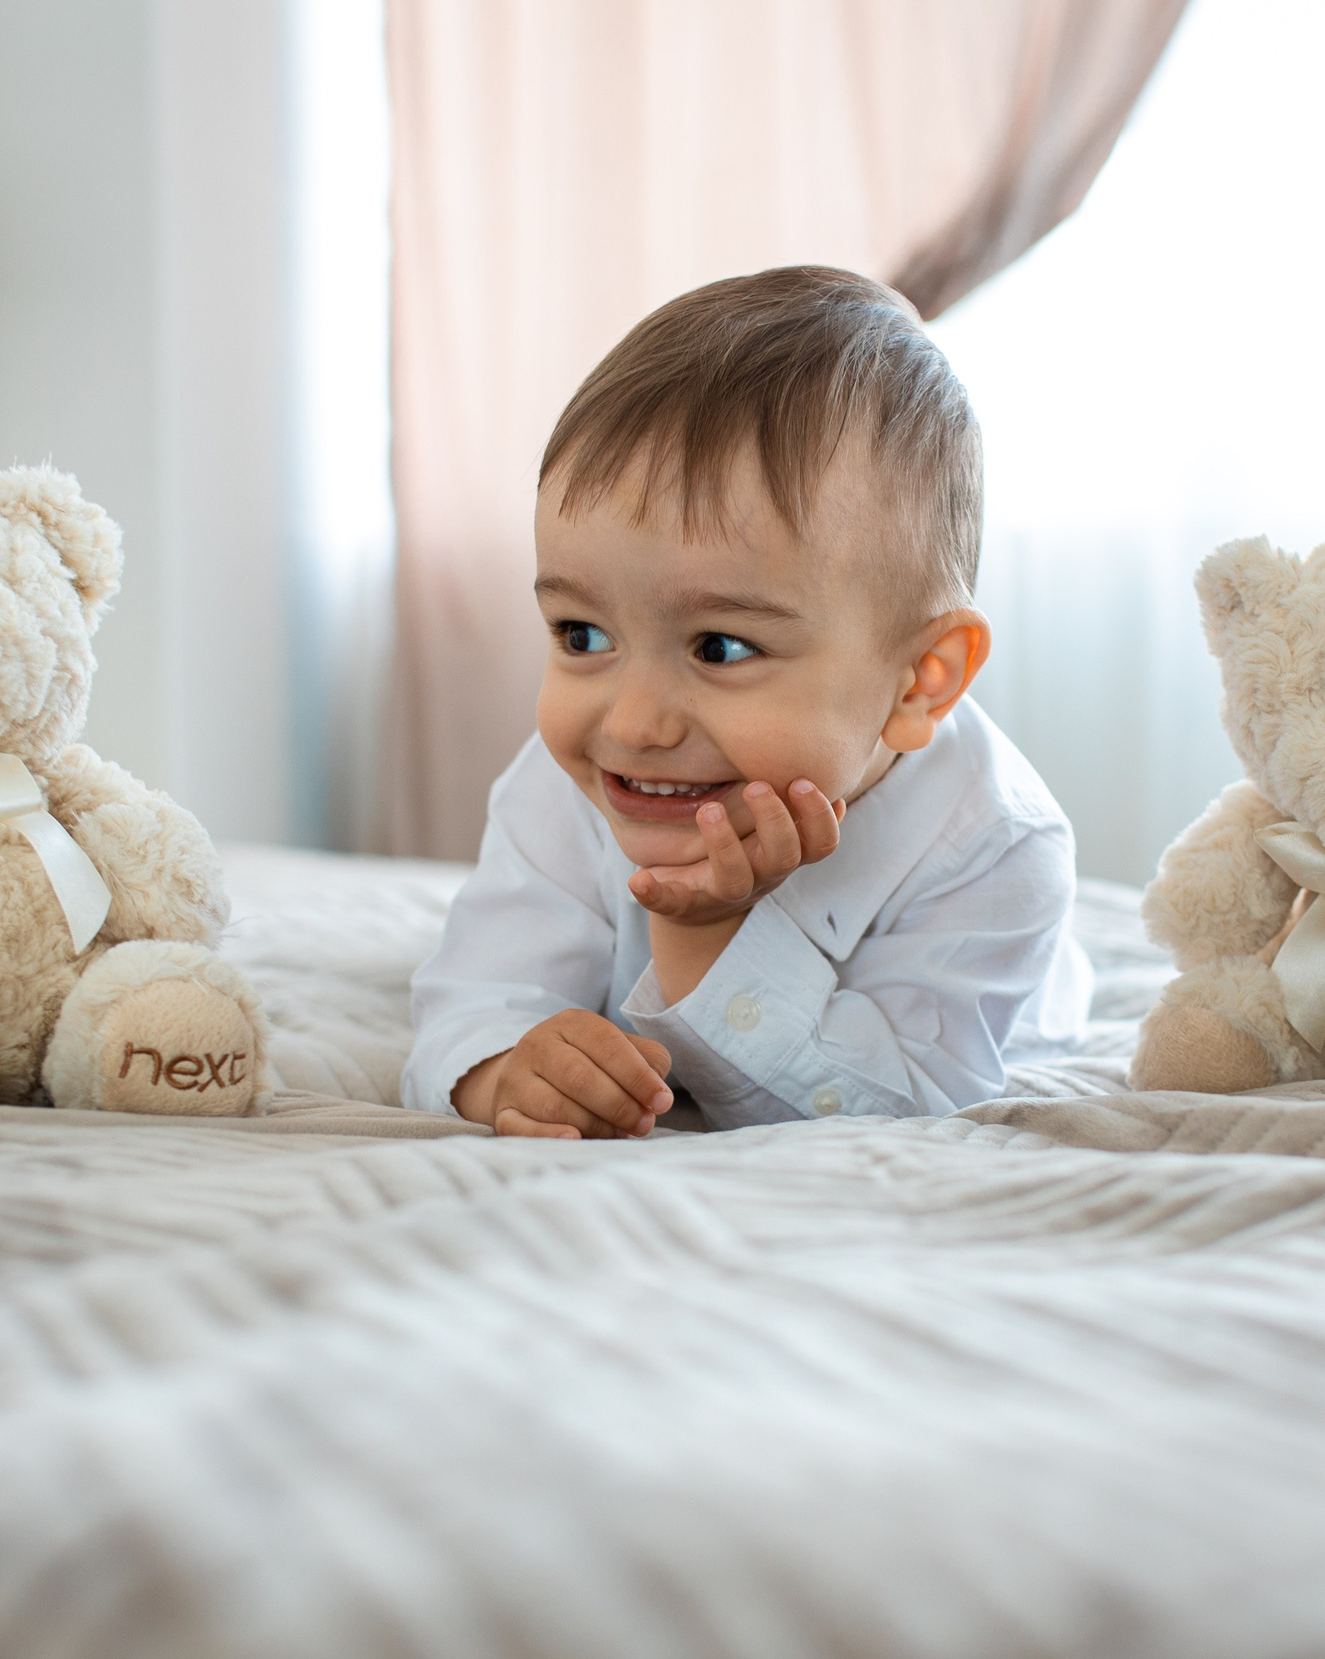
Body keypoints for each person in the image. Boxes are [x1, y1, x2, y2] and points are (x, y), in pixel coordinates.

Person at [402, 265, 1090, 1136]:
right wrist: (505, 1069)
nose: (634, 723)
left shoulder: (994, 849)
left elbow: (909, 1112)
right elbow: (470, 1002)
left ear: (921, 680)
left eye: (720, 648)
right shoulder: (569, 783)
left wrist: (711, 940)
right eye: (582, 636)